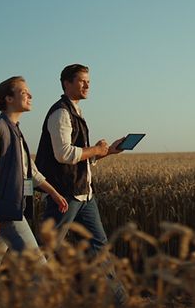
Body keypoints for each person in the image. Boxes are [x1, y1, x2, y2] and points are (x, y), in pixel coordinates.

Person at [35, 64, 128, 305]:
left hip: (84, 196)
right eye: (82, 81)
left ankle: (120, 302)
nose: (87, 85)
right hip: (64, 196)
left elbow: (80, 159)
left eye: (88, 81)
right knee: (48, 249)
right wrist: (95, 149)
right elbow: (64, 154)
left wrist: (106, 152)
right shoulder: (60, 113)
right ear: (67, 83)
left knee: (99, 247)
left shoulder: (76, 112)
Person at [0, 76, 69, 259]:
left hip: (9, 209)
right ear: (8, 99)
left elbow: (30, 171)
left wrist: (54, 193)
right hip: (5, 212)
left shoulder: (15, 131)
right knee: (38, 268)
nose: (30, 95)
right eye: (24, 92)